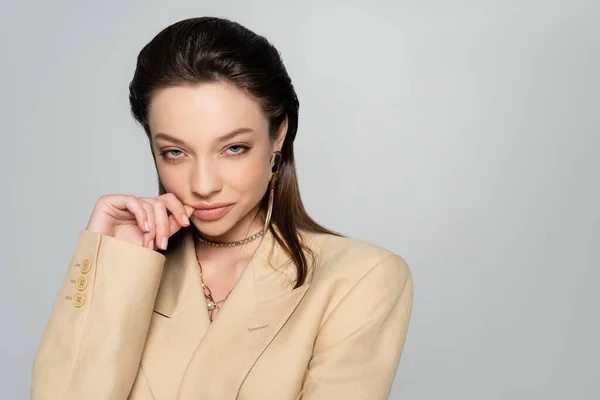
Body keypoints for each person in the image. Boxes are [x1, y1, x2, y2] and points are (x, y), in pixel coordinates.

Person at [31, 16, 413, 399]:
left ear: (277, 134)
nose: (203, 185)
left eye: (234, 148)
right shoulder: (135, 269)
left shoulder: (359, 279)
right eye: (175, 152)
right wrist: (111, 263)